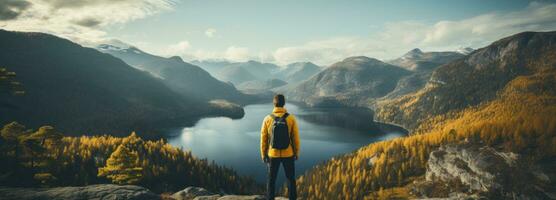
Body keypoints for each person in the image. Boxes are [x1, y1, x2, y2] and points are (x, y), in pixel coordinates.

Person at [260, 94, 300, 200]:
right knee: (290, 179)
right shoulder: (291, 118)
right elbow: (295, 138)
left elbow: (263, 139)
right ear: (284, 104)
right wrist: (296, 153)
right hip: (288, 154)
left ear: (274, 104)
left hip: (273, 154)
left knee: (271, 180)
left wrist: (263, 154)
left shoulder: (267, 118)